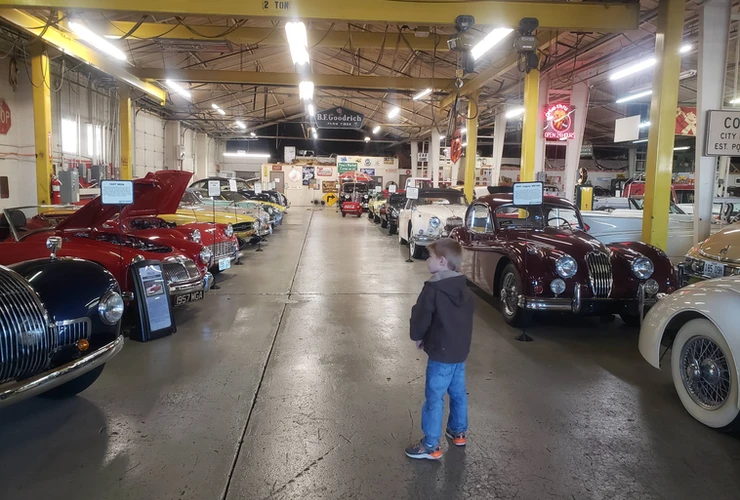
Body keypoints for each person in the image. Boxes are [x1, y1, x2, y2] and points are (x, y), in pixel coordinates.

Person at [405, 238, 475, 460]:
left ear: (442, 261)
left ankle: (431, 445)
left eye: (431, 256)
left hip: (440, 354)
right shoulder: (465, 288)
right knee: (458, 393)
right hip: (459, 352)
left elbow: (421, 316)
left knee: (434, 398)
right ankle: (458, 432)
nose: (427, 260)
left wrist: (417, 336)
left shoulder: (432, 289)